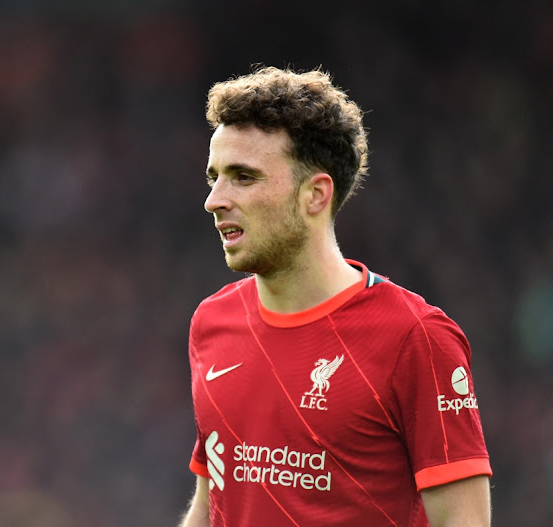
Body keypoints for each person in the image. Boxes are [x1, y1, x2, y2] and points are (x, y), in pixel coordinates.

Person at [179, 66, 492, 526]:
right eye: (214, 177)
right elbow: (214, 501)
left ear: (315, 195)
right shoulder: (213, 321)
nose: (215, 199)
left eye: (243, 177)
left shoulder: (414, 336)